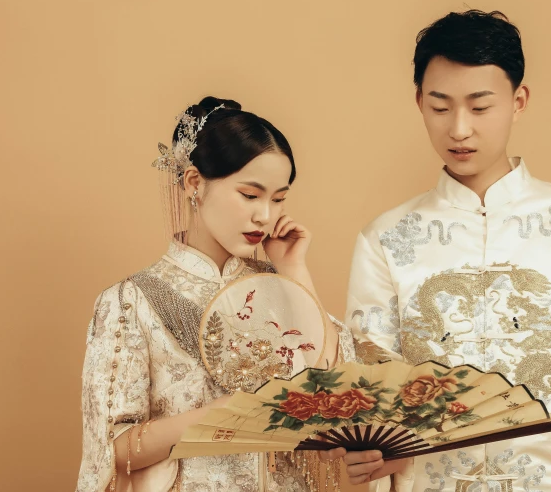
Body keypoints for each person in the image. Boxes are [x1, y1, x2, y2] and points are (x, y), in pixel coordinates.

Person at [340, 10, 551, 491]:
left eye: (480, 107)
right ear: (419, 102)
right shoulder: (386, 237)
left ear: (518, 101)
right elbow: (375, 370)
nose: (459, 129)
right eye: (441, 107)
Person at [77, 96, 354, 492]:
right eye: (250, 194)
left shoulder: (281, 288)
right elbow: (113, 449)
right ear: (194, 183)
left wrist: (294, 271)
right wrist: (222, 414)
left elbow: (336, 396)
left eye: (278, 199)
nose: (265, 216)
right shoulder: (131, 301)